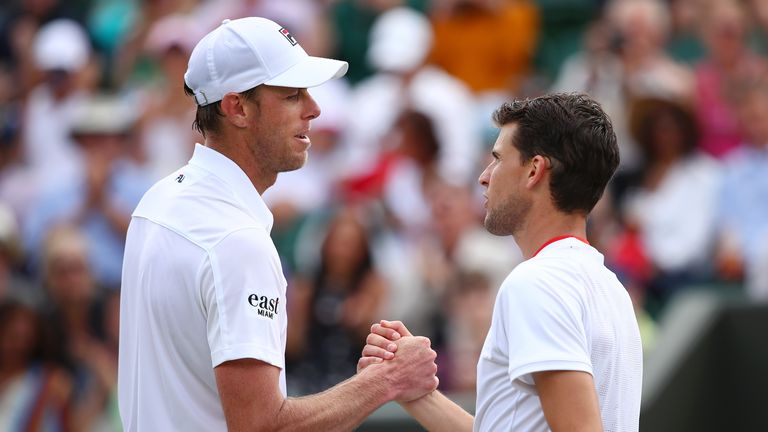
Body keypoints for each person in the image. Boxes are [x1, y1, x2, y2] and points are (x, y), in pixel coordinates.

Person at [117, 17, 439, 432]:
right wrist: (388, 379)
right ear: (237, 108)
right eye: (292, 95)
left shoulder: (157, 201)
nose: (314, 108)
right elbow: (262, 426)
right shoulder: (237, 241)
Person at [360, 93, 643, 431]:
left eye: (497, 159)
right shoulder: (610, 288)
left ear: (534, 170)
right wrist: (417, 393)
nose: (484, 176)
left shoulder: (537, 282)